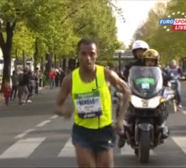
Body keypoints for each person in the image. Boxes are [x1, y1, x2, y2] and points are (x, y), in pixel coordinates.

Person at [54, 38, 130, 168]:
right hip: (82, 131)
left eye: (92, 54)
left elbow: (127, 91)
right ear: (78, 55)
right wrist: (63, 111)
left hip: (104, 130)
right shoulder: (70, 79)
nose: (88, 58)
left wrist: (120, 118)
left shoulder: (106, 74)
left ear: (97, 55)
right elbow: (57, 105)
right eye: (83, 54)